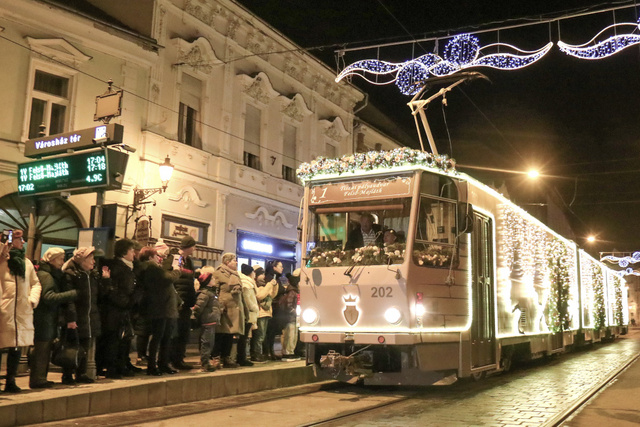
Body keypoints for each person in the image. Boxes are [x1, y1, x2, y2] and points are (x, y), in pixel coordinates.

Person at [0, 230, 41, 392]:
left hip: (21, 311)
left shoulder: (26, 263)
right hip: (5, 310)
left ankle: (11, 380)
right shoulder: (2, 260)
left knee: (16, 346)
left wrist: (31, 300)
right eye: (18, 239)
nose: (22, 242)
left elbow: (36, 283)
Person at [31, 247, 77, 389]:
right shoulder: (46, 276)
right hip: (44, 319)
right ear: (52, 260)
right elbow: (48, 297)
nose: (62, 262)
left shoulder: (51, 274)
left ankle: (41, 378)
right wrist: (71, 294)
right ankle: (38, 379)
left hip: (48, 318)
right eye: (60, 259)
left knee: (45, 348)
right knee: (42, 349)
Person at [62, 246, 104, 384]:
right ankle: (67, 375)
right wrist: (71, 318)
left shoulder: (92, 275)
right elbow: (69, 299)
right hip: (77, 316)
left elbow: (99, 296)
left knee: (85, 346)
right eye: (90, 258)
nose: (93, 261)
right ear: (82, 260)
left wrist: (106, 280)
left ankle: (81, 373)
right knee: (72, 346)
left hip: (90, 315)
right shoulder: (72, 275)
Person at [137, 246, 181, 376]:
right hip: (160, 307)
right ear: (150, 257)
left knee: (165, 337)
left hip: (164, 307)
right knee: (158, 337)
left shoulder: (153, 268)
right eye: (157, 256)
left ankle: (163, 363)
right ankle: (153, 365)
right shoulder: (151, 267)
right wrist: (177, 270)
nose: (159, 258)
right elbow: (167, 278)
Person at [101, 238, 138, 378]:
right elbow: (115, 290)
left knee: (122, 341)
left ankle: (120, 366)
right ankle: (112, 369)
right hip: (116, 311)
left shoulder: (128, 267)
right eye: (131, 250)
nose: (134, 254)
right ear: (124, 252)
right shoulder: (118, 268)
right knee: (114, 341)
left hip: (123, 310)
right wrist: (127, 301)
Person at [171, 235, 197, 370]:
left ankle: (179, 358)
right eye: (193, 246)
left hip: (187, 301)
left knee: (184, 333)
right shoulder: (176, 257)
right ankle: (173, 359)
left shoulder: (189, 260)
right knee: (176, 333)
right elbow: (177, 274)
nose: (194, 249)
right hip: (178, 301)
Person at [214, 253, 244, 368]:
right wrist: (219, 305)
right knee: (220, 334)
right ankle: (216, 358)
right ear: (227, 262)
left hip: (235, 308)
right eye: (234, 260)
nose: (236, 262)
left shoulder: (236, 274)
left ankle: (227, 358)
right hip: (224, 308)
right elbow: (215, 291)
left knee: (230, 334)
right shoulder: (218, 273)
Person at [193, 268, 221, 372]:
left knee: (210, 343)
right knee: (207, 343)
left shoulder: (210, 293)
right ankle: (205, 363)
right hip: (207, 321)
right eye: (212, 278)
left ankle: (206, 362)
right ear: (208, 282)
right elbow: (198, 307)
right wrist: (196, 317)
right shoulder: (205, 293)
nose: (214, 280)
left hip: (211, 321)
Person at [251, 265, 276, 363]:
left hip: (266, 313)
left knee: (262, 335)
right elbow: (260, 296)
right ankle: (256, 354)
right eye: (261, 274)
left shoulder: (264, 285)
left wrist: (274, 286)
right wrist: (269, 286)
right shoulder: (255, 285)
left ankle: (259, 353)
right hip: (260, 313)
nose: (263, 276)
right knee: (259, 335)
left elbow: (272, 295)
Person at [264, 260, 285, 360]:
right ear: (274, 267)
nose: (282, 268)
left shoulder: (277, 278)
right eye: (280, 266)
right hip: (272, 308)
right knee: (269, 332)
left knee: (272, 332)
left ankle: (270, 351)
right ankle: (267, 352)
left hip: (276, 309)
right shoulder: (270, 279)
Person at [238, 263, 259, 367]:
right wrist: (254, 308)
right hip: (248, 313)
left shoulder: (248, 282)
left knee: (244, 337)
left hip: (248, 313)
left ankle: (242, 357)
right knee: (244, 337)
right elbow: (248, 299)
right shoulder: (246, 284)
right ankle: (241, 358)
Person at [281, 269, 301, 361]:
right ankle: (288, 352)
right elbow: (289, 305)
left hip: (294, 318)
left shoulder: (293, 291)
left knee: (293, 336)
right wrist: (295, 311)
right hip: (291, 318)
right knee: (290, 336)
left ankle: (290, 352)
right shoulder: (292, 292)